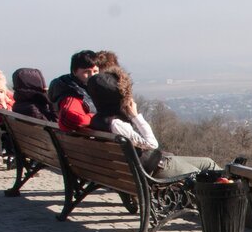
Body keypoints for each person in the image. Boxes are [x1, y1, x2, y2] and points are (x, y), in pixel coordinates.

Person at [86, 68, 219, 179]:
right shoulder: (116, 124)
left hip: (139, 170)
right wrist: (135, 116)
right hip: (157, 168)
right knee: (207, 174)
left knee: (208, 162)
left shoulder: (98, 121)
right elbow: (152, 145)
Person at [49, 50, 99, 132]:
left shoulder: (85, 88)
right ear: (74, 72)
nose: (92, 75)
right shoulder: (71, 94)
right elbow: (74, 119)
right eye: (86, 72)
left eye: (95, 71)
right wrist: (96, 118)